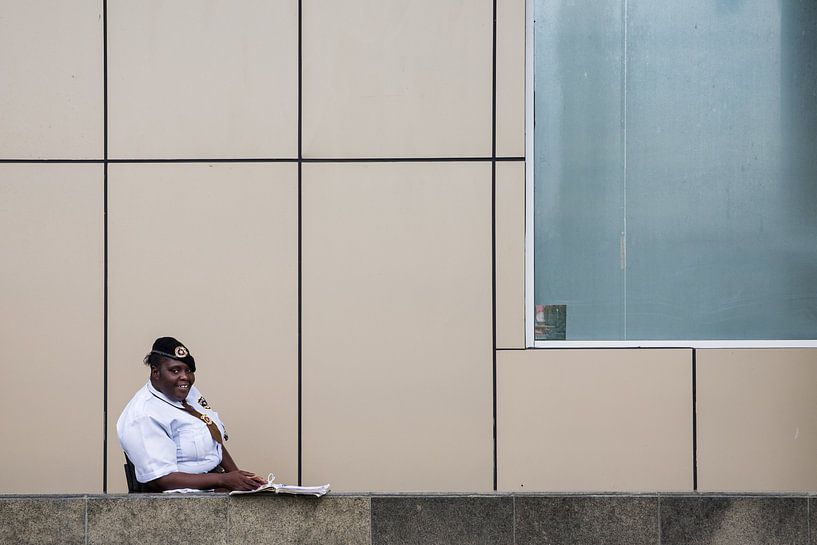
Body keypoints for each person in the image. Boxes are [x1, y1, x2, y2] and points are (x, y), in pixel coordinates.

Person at [117, 336, 267, 492]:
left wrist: (241, 481)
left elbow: (214, 441)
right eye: (175, 370)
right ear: (156, 372)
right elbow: (161, 480)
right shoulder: (143, 414)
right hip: (176, 503)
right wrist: (224, 480)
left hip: (213, 488)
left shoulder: (188, 394)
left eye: (188, 370)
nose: (185, 377)